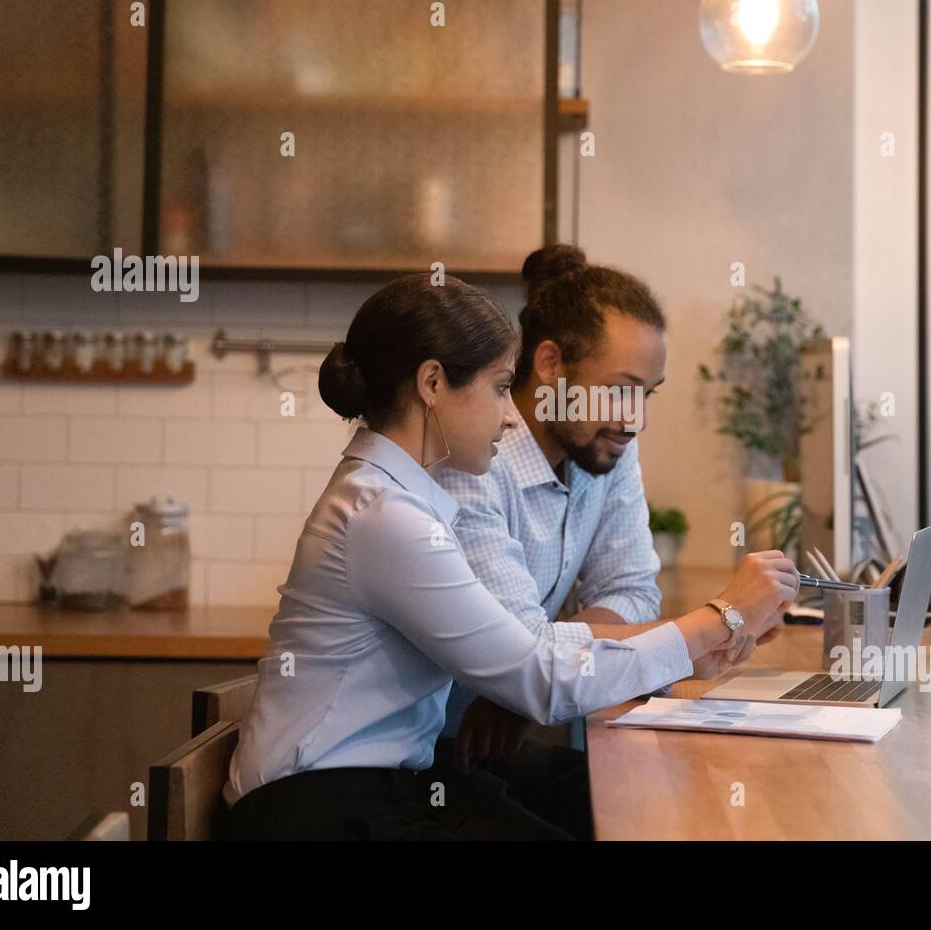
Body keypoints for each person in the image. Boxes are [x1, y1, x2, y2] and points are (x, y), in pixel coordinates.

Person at [222, 272, 797, 840]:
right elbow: (541, 678)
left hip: (379, 786)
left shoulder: (396, 496)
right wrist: (720, 617)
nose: (507, 414)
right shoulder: (385, 516)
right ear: (432, 384)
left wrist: (694, 644)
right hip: (315, 807)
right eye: (500, 388)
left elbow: (532, 663)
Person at [436, 245, 783, 838]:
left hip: (508, 732)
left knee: (666, 800)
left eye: (647, 393)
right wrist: (527, 674)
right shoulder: (472, 464)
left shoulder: (603, 446)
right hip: (431, 758)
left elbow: (629, 589)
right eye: (622, 389)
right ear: (549, 364)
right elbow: (526, 654)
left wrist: (526, 680)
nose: (635, 420)